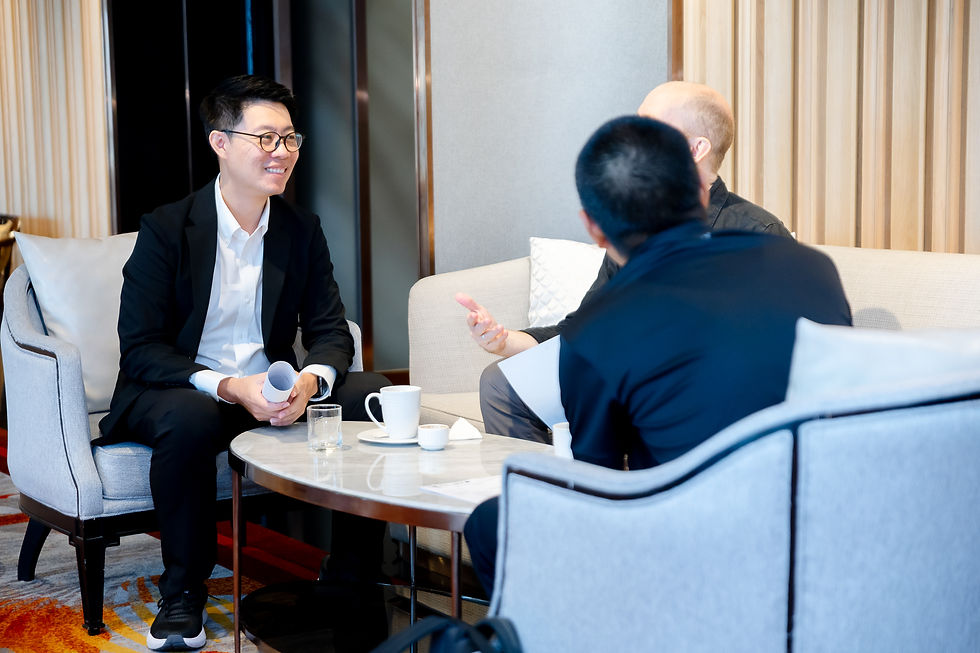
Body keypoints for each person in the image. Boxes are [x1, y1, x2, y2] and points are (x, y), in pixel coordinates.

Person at [463, 115, 852, 596]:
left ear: (594, 228)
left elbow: (597, 489)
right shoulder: (811, 266)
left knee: (489, 523)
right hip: (827, 530)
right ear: (702, 191)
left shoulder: (598, 330)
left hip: (693, 551)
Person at [96, 75, 390, 651]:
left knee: (371, 394)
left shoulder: (300, 230)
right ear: (220, 143)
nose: (281, 153)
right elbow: (142, 347)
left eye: (289, 139)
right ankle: (182, 594)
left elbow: (331, 331)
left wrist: (309, 382)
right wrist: (229, 386)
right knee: (191, 418)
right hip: (182, 390)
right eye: (265, 138)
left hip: (273, 392)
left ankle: (351, 576)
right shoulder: (166, 228)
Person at [457, 81, 792, 443]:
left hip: (703, 396)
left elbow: (778, 354)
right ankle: (552, 496)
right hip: (626, 383)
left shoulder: (756, 233)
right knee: (501, 383)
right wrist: (505, 340)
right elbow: (583, 331)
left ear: (696, 149)